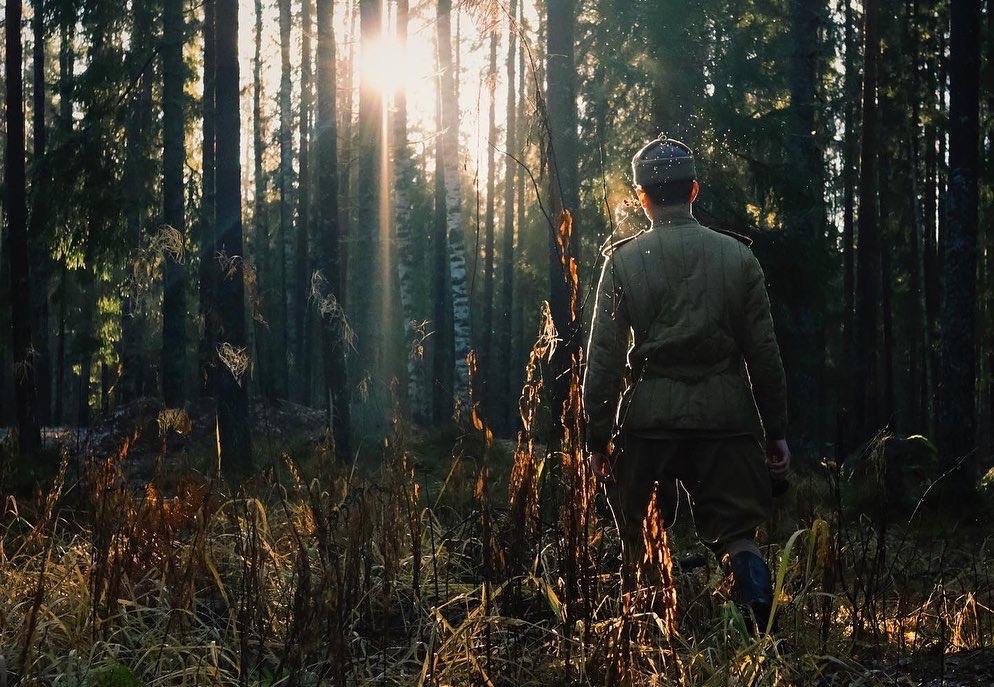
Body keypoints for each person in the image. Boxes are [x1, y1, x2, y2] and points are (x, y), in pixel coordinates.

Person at [582, 136, 791, 633]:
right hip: (726, 417)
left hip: (649, 421)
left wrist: (597, 437)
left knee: (640, 532)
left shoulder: (623, 261)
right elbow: (764, 353)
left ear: (642, 197)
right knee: (738, 533)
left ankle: (645, 635)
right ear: (693, 189)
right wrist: (776, 430)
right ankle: (757, 627)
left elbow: (604, 357)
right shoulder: (738, 258)